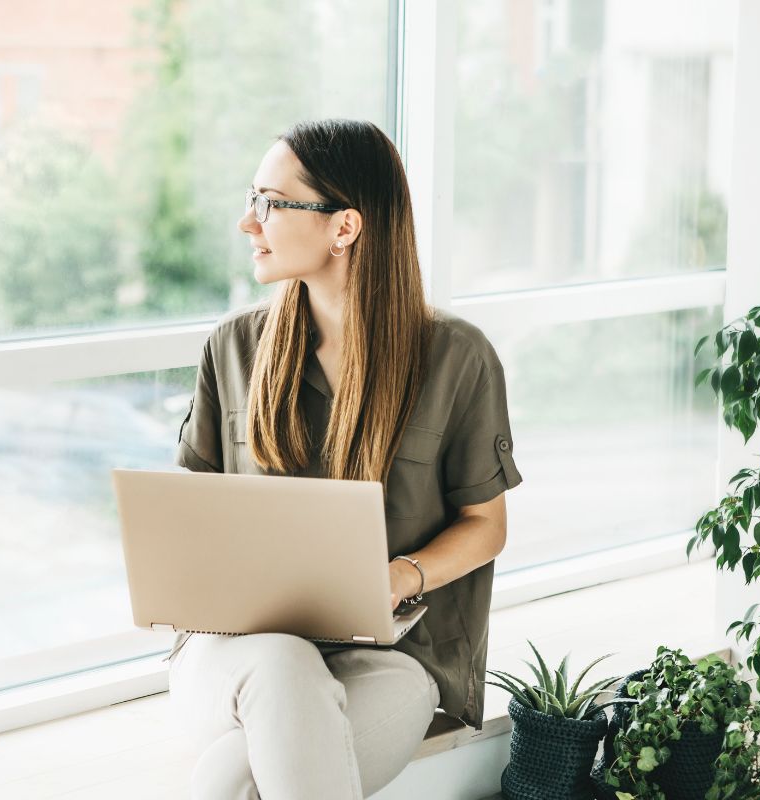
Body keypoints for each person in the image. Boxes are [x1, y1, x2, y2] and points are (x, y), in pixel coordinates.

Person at [167, 118, 523, 799]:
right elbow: (191, 516)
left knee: (232, 780)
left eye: (271, 202)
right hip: (235, 652)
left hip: (387, 657)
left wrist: (396, 576)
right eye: (252, 198)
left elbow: (487, 522)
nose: (248, 222)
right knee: (280, 664)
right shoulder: (232, 348)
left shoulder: (458, 357)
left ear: (345, 228)